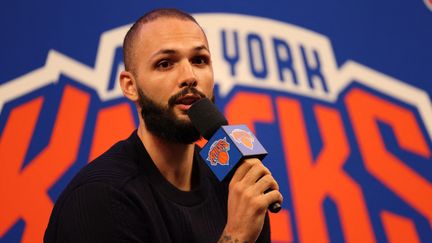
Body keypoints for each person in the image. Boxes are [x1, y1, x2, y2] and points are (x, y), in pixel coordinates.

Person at [44, 8, 283, 243]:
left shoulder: (234, 186)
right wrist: (237, 237)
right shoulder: (99, 198)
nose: (190, 76)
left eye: (199, 60)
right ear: (130, 85)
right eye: (165, 64)